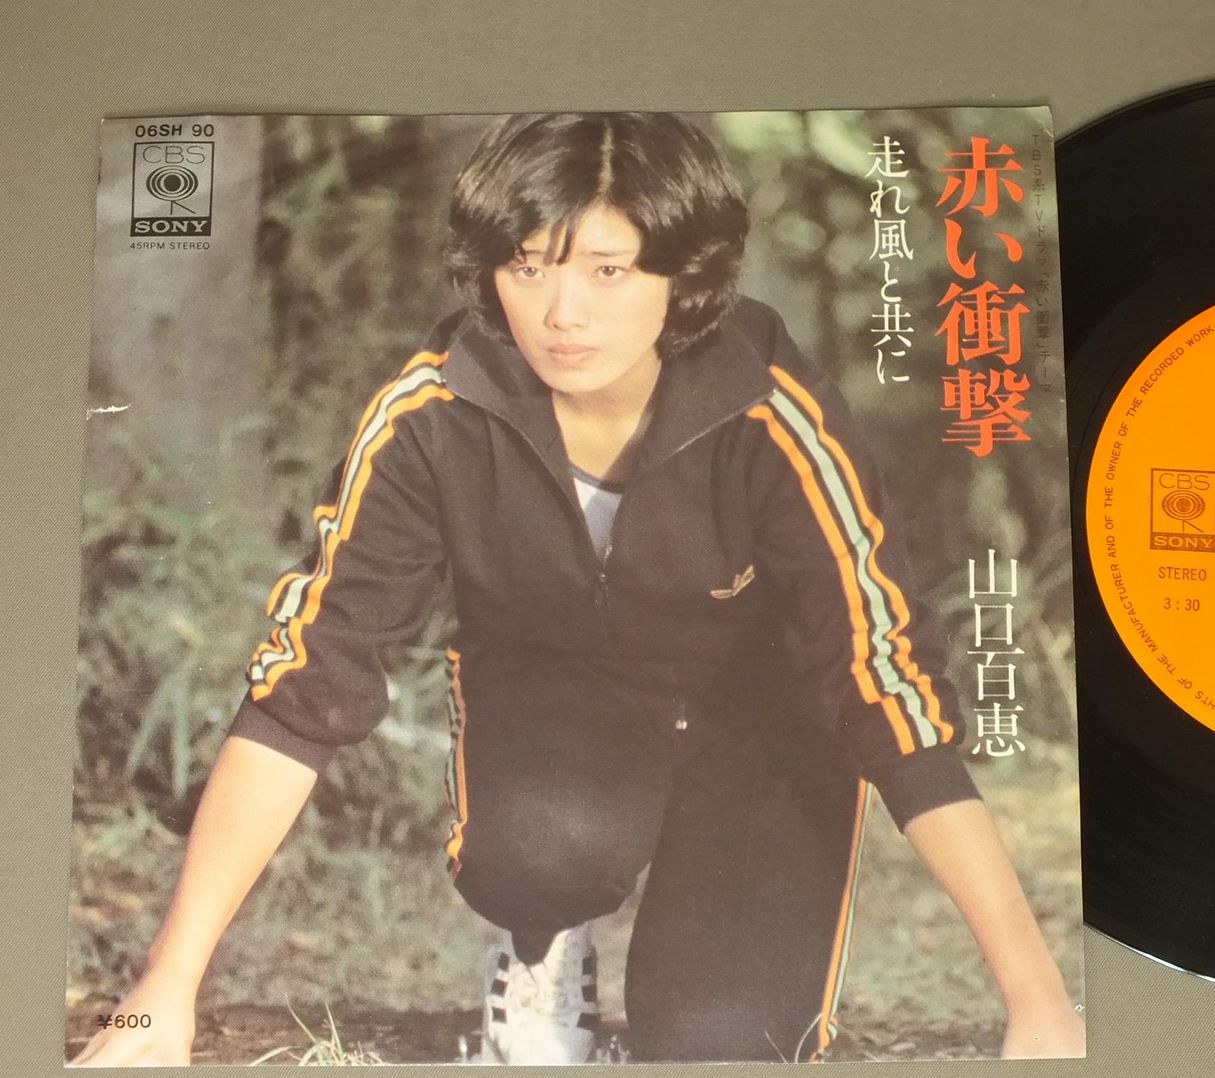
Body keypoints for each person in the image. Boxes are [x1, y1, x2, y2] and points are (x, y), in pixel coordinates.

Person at [70, 112, 1083, 1066]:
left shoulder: (771, 415)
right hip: (555, 712)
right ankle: (539, 945)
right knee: (540, 850)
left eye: (609, 269)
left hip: (759, 731)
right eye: (528, 265)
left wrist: (1035, 999)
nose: (563, 313)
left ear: (683, 274)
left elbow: (888, 686)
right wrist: (169, 983)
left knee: (723, 1043)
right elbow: (306, 681)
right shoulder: (432, 414)